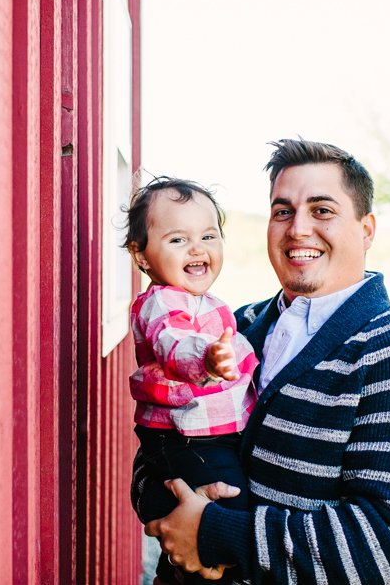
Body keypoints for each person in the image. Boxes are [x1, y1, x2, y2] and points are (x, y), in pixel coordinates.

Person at [132, 139, 390, 585]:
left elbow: (389, 553)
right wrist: (166, 510)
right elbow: (156, 452)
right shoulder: (234, 330)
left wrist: (213, 532)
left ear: (366, 230)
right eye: (282, 210)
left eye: (322, 210)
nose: (297, 228)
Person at [122, 177, 260, 584]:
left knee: (218, 511)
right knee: (227, 511)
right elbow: (173, 343)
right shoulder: (162, 302)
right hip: (188, 439)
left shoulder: (211, 304)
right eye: (178, 239)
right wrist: (207, 357)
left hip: (211, 437)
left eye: (208, 235)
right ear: (141, 255)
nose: (198, 248)